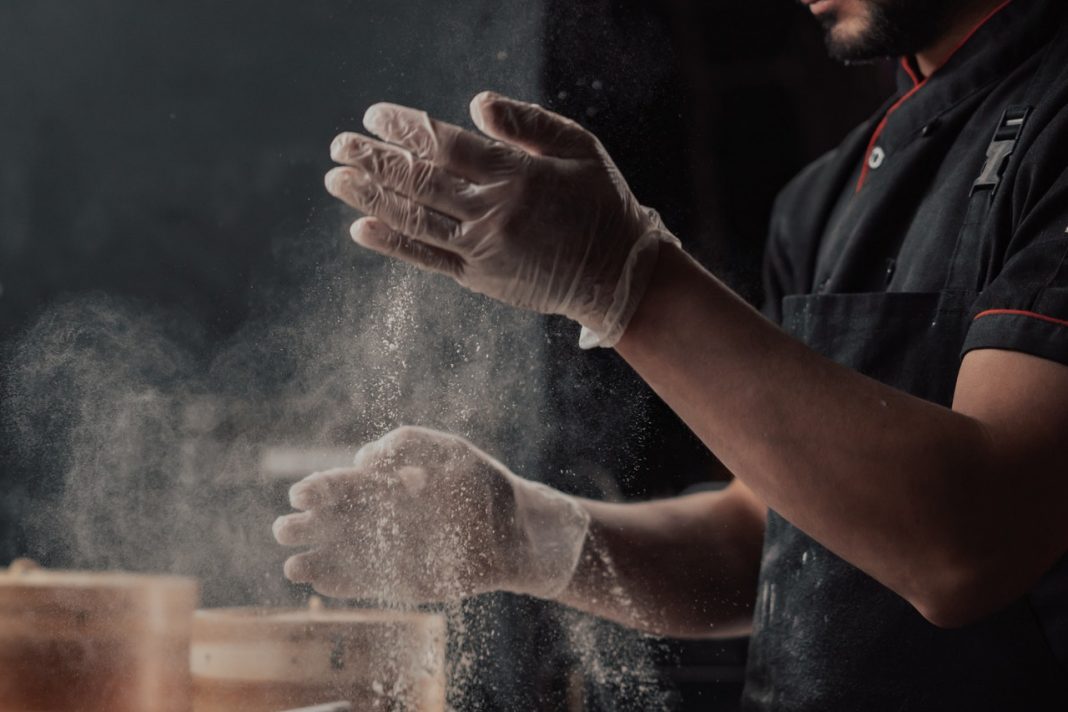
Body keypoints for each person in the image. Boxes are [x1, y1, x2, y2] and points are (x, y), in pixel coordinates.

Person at [273, 0, 1068, 707]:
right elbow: (765, 538)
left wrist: (629, 283)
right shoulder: (827, 197)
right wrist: (528, 534)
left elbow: (971, 545)